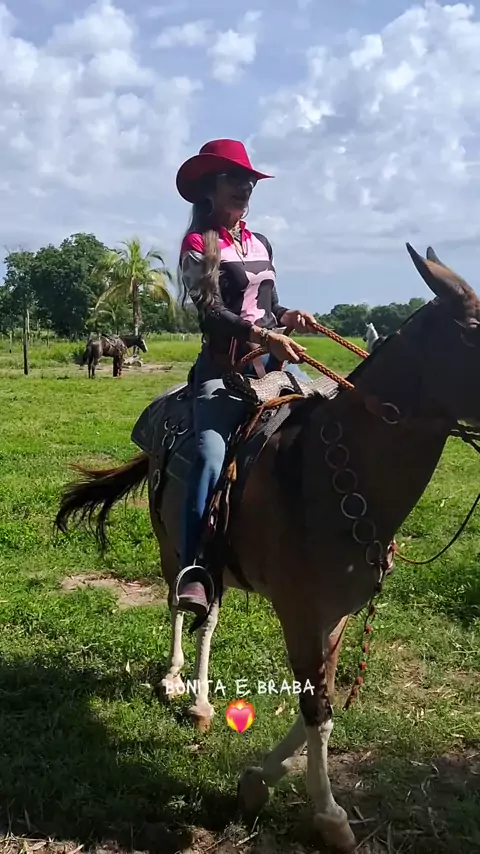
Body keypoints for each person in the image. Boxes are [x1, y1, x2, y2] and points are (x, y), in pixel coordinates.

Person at [173, 138, 318, 622]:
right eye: (233, 179)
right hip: (224, 372)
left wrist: (288, 316)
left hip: (274, 370)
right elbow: (211, 311)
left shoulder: (261, 242)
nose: (244, 187)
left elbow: (268, 304)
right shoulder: (199, 244)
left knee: (328, 421)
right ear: (208, 189)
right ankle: (195, 568)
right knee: (210, 456)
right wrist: (263, 335)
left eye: (249, 181)